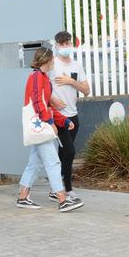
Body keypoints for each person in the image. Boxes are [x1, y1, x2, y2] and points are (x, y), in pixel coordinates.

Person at [16, 48, 85, 213]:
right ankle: (62, 199)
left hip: (40, 124)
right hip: (41, 124)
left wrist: (63, 120)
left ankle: (23, 197)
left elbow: (45, 104)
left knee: (34, 162)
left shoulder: (42, 78)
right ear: (46, 60)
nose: (54, 62)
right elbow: (39, 104)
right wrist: (51, 121)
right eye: (52, 60)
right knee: (53, 162)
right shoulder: (37, 77)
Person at [49, 31, 90, 203]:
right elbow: (44, 89)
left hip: (73, 115)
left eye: (68, 43)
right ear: (56, 45)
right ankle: (68, 189)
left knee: (62, 153)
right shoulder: (52, 65)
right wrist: (53, 101)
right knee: (70, 151)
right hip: (59, 116)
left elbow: (86, 90)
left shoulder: (77, 65)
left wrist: (71, 82)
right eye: (62, 44)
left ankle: (55, 189)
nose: (65, 47)